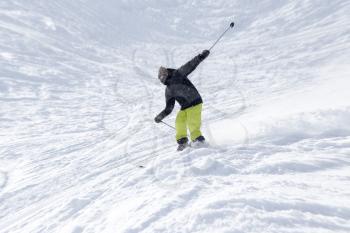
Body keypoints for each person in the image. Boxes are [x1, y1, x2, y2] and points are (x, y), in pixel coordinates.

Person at [154, 50, 210, 151]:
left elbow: (190, 65)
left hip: (194, 102)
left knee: (192, 122)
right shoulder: (168, 90)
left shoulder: (177, 74)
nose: (162, 79)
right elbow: (169, 108)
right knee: (179, 122)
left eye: (162, 76)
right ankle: (183, 142)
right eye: (160, 78)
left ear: (166, 73)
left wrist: (200, 57)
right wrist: (160, 116)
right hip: (185, 107)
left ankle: (199, 140)